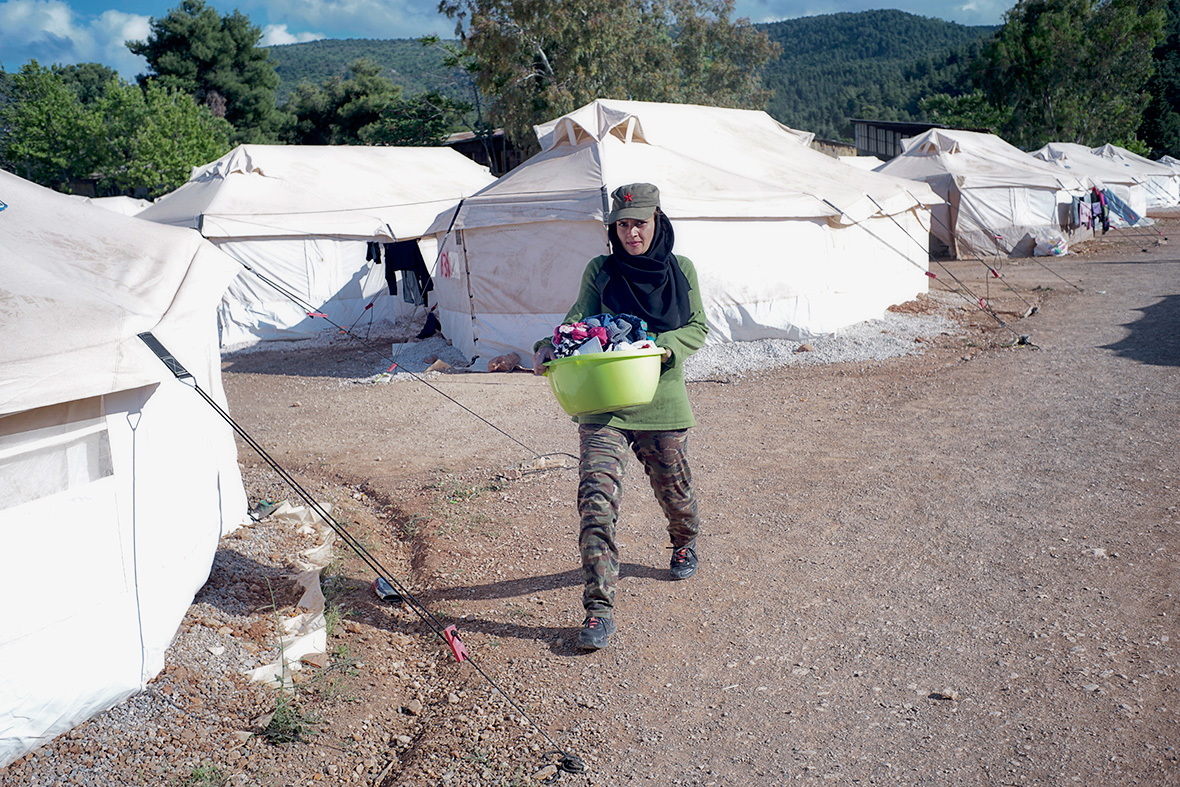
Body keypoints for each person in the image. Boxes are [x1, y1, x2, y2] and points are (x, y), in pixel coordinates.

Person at [532, 183, 708, 650]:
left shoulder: (680, 269)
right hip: (604, 403)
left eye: (640, 223)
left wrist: (665, 350)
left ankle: (684, 538)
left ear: (657, 223)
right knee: (595, 497)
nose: (631, 233)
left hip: (662, 400)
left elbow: (698, 327)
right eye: (623, 225)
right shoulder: (601, 270)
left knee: (675, 490)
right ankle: (598, 608)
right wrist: (549, 345)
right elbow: (577, 320)